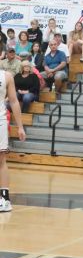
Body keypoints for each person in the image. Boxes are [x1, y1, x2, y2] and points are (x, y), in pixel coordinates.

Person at [0, 68, 27, 212]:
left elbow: (14, 101)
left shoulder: (6, 76)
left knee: (1, 159)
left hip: (0, 120)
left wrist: (20, 127)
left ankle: (4, 199)